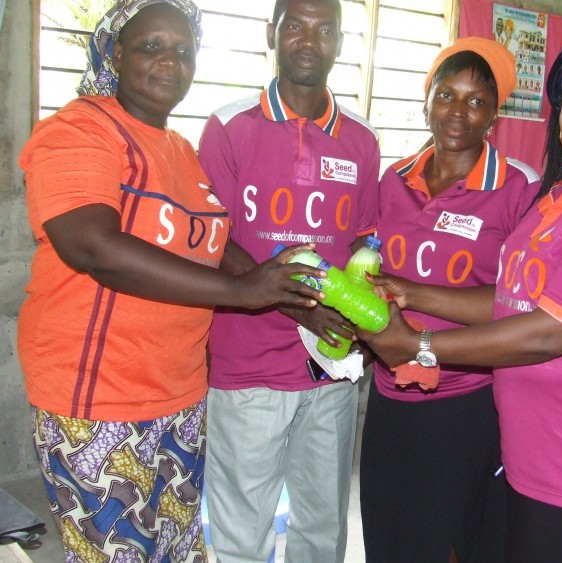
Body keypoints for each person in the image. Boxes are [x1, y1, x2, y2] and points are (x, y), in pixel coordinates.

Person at [357, 24, 562, 563]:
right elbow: (512, 300)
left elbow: (545, 334)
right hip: (533, 450)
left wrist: (419, 348)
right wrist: (413, 293)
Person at [16, 1, 326, 561]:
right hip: (98, 399)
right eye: (151, 46)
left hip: (179, 395)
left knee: (178, 549)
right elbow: (92, 246)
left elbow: (214, 246)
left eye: (183, 50)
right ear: (116, 53)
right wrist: (243, 293)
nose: (170, 62)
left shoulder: (180, 149)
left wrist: (291, 296)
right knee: (119, 553)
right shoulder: (80, 129)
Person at [196, 0, 380, 561]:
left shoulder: (361, 141)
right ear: (270, 33)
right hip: (248, 367)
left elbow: (363, 244)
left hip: (330, 368)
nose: (308, 40)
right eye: (295, 25)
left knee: (322, 527)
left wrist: (360, 320)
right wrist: (300, 307)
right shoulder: (228, 127)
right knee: (241, 533)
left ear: (340, 42)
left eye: (325, 29)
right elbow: (211, 240)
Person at [359, 37, 538, 563]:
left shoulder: (518, 188)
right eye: (446, 95)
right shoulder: (394, 179)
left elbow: (518, 302)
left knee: (450, 540)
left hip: (465, 399)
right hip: (390, 391)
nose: (458, 111)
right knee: (386, 533)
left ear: (494, 118)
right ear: (426, 103)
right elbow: (370, 262)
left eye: (476, 101)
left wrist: (415, 294)